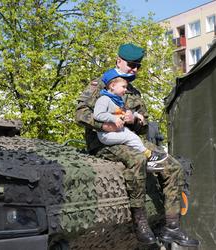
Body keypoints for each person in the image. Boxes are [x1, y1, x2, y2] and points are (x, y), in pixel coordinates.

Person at [76, 43, 199, 247]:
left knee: (174, 167)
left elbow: (143, 127)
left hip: (130, 138)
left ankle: (172, 228)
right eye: (131, 64)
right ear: (118, 61)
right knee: (137, 160)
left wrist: (136, 120)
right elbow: (80, 114)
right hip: (104, 141)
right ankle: (140, 221)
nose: (134, 69)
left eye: (137, 66)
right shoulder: (101, 85)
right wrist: (106, 124)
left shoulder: (133, 91)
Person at [93, 68, 168, 168]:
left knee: (133, 136)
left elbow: (123, 112)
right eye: (123, 87)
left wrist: (136, 115)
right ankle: (149, 155)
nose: (125, 90)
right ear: (112, 86)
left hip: (116, 131)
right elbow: (98, 115)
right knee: (130, 138)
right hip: (105, 135)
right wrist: (114, 119)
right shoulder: (104, 99)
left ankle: (149, 162)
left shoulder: (116, 100)